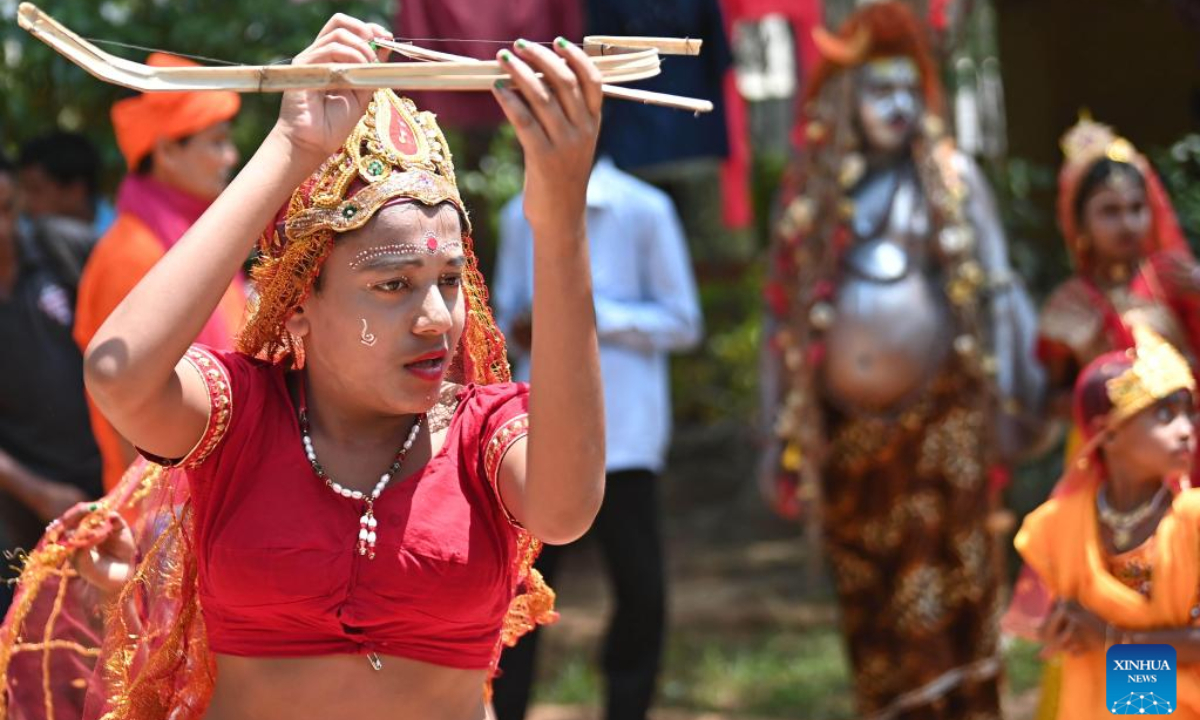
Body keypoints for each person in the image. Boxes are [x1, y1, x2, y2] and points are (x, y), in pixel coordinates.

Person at [0, 16, 606, 720]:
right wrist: (289, 146)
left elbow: (566, 509)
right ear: (297, 310)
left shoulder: (483, 434)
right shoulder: (241, 415)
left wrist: (559, 218)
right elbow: (116, 371)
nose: (436, 317)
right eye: (392, 285)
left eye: (447, 280)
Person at [759, 2, 1040, 717]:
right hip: (847, 440)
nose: (898, 107)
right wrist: (774, 437)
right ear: (846, 99)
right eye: (880, 91)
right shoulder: (814, 197)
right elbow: (779, 324)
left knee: (951, 590)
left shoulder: (951, 179)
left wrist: (1016, 398)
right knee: (873, 596)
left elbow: (1000, 293)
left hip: (943, 430)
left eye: (909, 91)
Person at [491, 157, 703, 720]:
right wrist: (522, 324)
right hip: (540, 440)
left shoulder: (644, 209)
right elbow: (506, 313)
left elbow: (684, 320)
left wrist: (588, 313)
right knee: (520, 594)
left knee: (641, 591)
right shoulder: (519, 215)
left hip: (625, 438)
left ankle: (627, 708)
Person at [73, 52, 245, 493]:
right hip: (163, 515)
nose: (231, 155)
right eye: (217, 141)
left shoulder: (198, 236)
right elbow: (125, 412)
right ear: (168, 150)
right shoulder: (129, 253)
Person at [1013, 326, 1200, 719]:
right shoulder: (1059, 523)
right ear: (1108, 434)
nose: (1187, 431)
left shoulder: (1193, 520)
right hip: (1094, 702)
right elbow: (1038, 622)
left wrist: (1112, 641)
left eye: (1190, 413)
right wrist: (1058, 629)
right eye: (1165, 415)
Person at [0, 152, 102, 615]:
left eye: (5, 210)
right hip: (24, 505)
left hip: (111, 474)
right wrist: (38, 492)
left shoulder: (62, 248)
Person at [16, 131, 114, 236]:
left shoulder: (120, 239)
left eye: (35, 190)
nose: (23, 203)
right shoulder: (22, 233)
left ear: (76, 190)